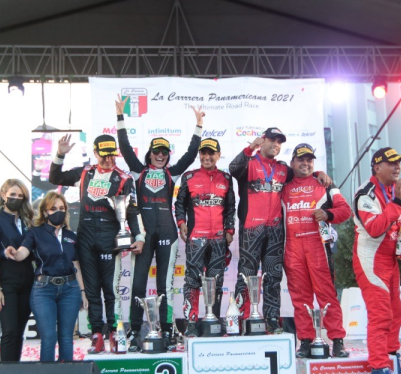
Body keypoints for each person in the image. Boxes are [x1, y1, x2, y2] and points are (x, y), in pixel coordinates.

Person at [116, 97, 203, 350]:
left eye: (165, 152)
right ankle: (134, 331)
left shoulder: (172, 172)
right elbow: (124, 147)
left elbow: (190, 155)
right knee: (138, 283)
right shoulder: (137, 170)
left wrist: (198, 127)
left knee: (165, 284)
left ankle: (167, 330)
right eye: (157, 151)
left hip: (168, 232)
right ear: (150, 154)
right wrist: (120, 118)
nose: (161, 156)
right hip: (143, 234)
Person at [49, 134, 144, 354]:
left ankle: (115, 333)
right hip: (86, 236)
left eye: (112, 155)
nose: (109, 159)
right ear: (95, 153)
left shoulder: (123, 178)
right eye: (104, 155)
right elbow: (55, 178)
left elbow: (132, 211)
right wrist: (60, 154)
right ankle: (96, 335)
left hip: (110, 237)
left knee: (111, 290)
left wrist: (139, 237)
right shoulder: (85, 173)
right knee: (92, 290)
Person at [229, 128, 331, 333]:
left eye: (279, 142)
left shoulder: (284, 168)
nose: (275, 144)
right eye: (272, 140)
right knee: (245, 276)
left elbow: (305, 172)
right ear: (263, 140)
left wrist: (319, 173)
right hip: (251, 229)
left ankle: (272, 320)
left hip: (275, 230)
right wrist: (250, 147)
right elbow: (233, 168)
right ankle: (241, 319)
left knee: (273, 276)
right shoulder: (249, 163)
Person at [281, 144, 352, 358]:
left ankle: (337, 340)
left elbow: (345, 211)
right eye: (301, 160)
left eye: (310, 160)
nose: (305, 163)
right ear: (292, 163)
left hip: (318, 248)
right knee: (300, 298)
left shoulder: (326, 185)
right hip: (292, 248)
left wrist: (327, 214)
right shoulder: (283, 185)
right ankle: (305, 340)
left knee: (327, 295)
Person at [353, 148, 401, 374]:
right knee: (381, 314)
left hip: (390, 259)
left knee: (396, 311)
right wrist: (398, 202)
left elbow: (396, 224)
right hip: (370, 259)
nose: (397, 167)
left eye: (399, 163)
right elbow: (375, 228)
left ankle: (392, 361)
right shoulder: (364, 193)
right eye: (391, 163)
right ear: (377, 167)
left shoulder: (392, 190)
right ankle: (379, 370)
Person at [5, 191, 87, 361]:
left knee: (66, 338)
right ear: (44, 212)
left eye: (62, 208)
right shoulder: (35, 233)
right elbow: (23, 252)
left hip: (70, 289)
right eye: (53, 208)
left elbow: (76, 264)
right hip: (44, 289)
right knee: (49, 337)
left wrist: (82, 291)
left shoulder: (71, 236)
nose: (58, 212)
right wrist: (14, 253)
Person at [174, 138, 236, 337]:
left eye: (211, 153)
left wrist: (229, 231)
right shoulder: (189, 176)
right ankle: (191, 322)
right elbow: (180, 204)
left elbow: (230, 208)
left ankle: (214, 320)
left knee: (216, 281)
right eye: (204, 153)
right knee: (192, 281)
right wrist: (182, 223)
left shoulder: (226, 179)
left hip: (218, 239)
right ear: (200, 155)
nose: (207, 157)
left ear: (218, 155)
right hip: (196, 238)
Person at [0, 179, 35, 362]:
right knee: (9, 331)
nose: (16, 199)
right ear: (3, 195)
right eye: (12, 195)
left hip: (27, 281)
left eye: (20, 196)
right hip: (7, 282)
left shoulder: (27, 222)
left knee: (19, 332)